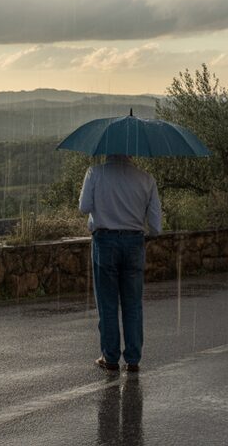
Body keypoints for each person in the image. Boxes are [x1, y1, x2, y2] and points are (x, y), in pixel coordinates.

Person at [79, 154, 162, 372]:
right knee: (133, 304)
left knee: (107, 304)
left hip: (105, 241)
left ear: (107, 149)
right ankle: (133, 359)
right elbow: (155, 226)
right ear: (132, 151)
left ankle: (110, 356)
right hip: (134, 242)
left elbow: (84, 206)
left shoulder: (95, 173)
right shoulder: (146, 179)